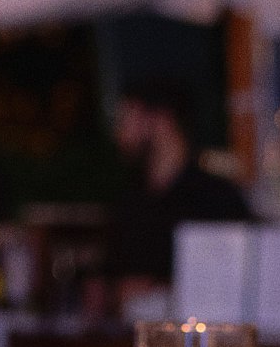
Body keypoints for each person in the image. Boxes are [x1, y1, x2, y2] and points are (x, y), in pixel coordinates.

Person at [103, 74, 249, 301]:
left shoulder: (217, 198)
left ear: (160, 120)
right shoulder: (130, 201)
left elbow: (236, 282)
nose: (119, 133)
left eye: (126, 118)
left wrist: (158, 289)